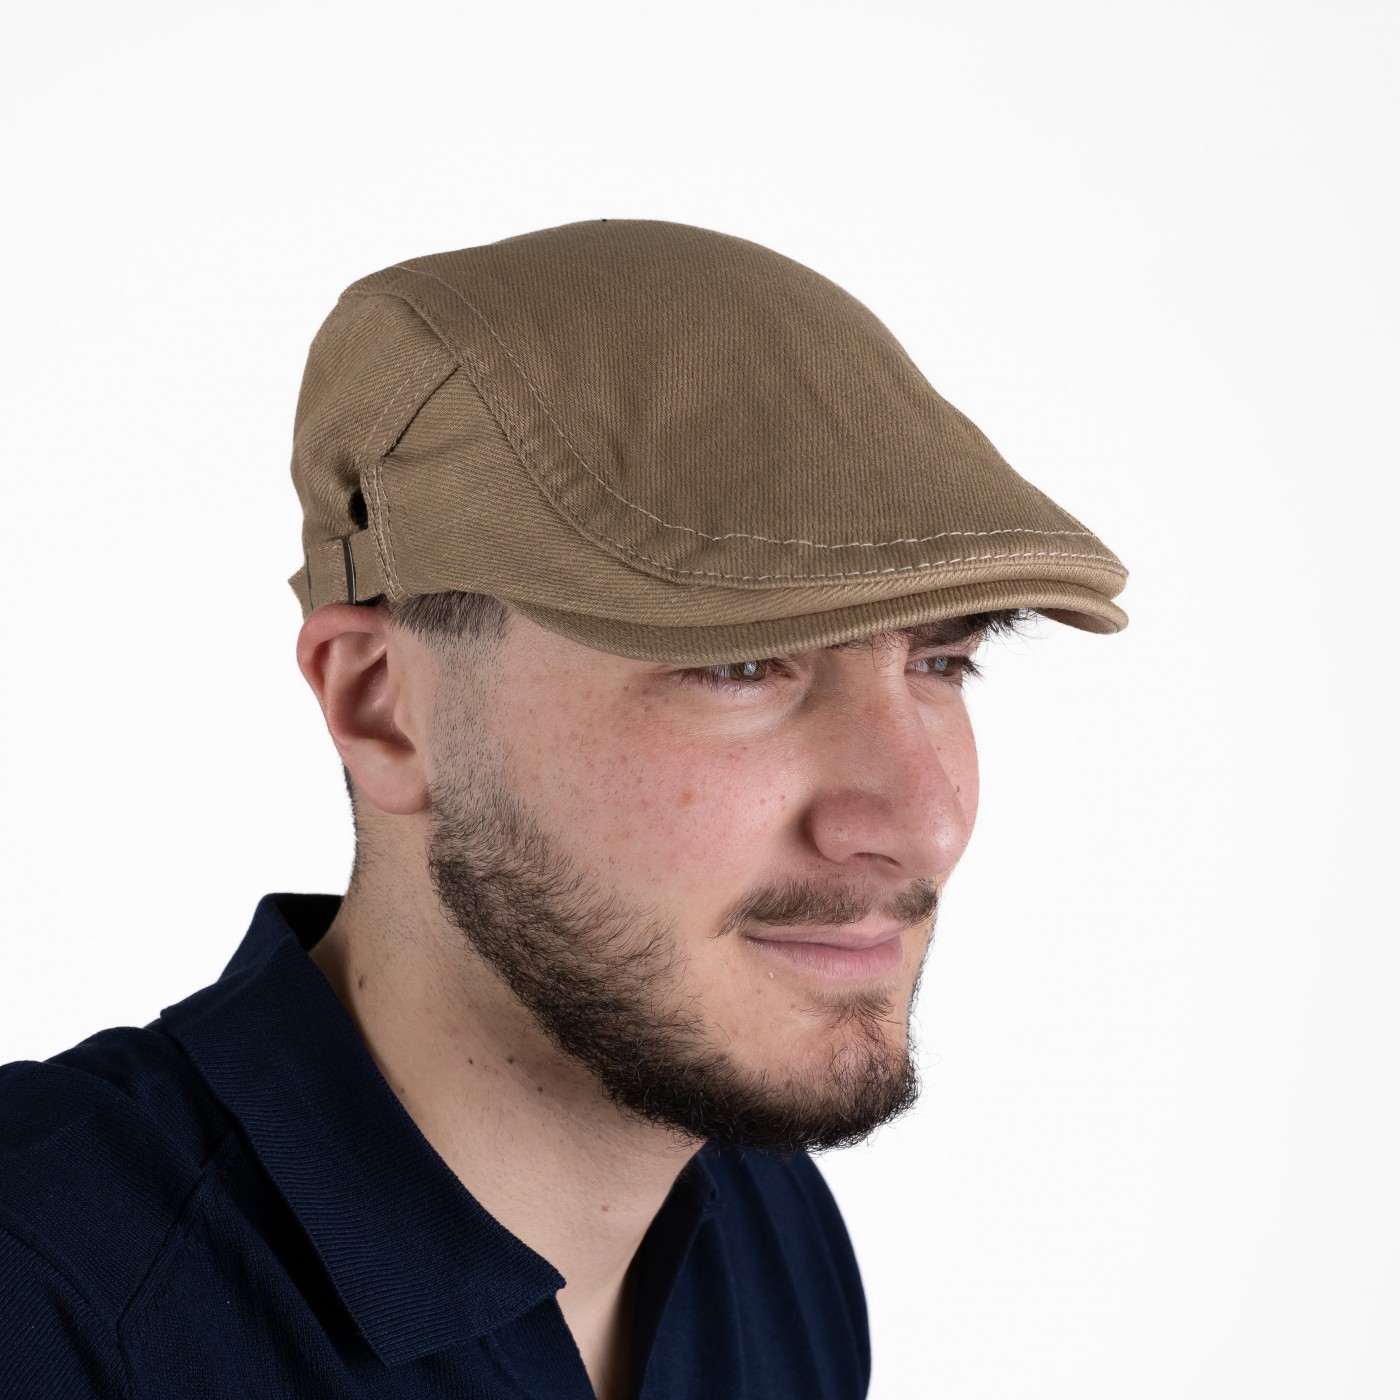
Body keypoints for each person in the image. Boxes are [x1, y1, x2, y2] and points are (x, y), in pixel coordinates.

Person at [0, 219, 1128, 1399]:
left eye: (941, 662)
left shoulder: (762, 1227)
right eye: (743, 665)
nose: (923, 822)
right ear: (384, 707)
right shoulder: (46, 1297)